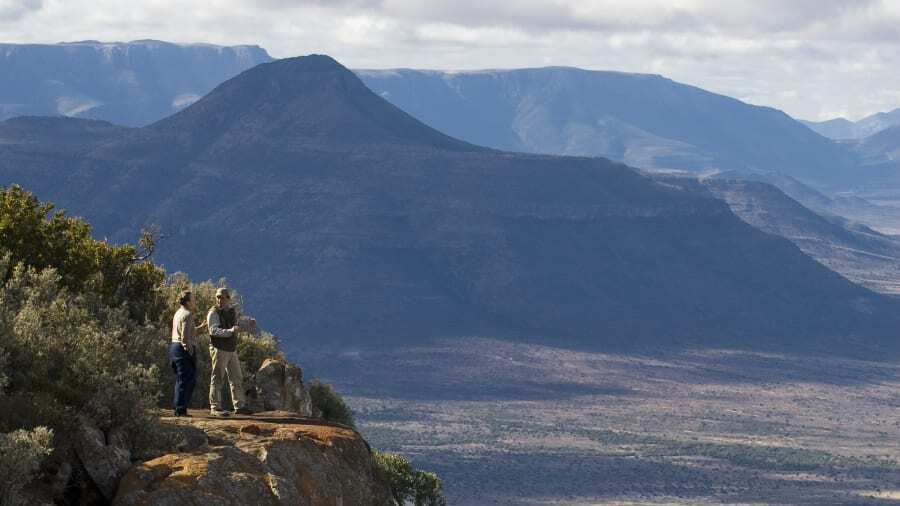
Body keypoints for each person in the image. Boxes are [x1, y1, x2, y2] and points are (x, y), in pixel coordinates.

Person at [207, 287, 253, 416]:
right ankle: (215, 407)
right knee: (217, 378)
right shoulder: (213, 312)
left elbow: (237, 323)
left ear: (228, 298)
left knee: (236, 377)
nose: (219, 300)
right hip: (219, 348)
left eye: (222, 297)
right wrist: (230, 331)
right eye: (217, 297)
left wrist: (248, 323)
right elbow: (213, 331)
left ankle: (239, 405)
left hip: (231, 349)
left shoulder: (231, 312)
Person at [169, 290, 197, 417]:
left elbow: (186, 331)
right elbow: (185, 337)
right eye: (193, 299)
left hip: (174, 347)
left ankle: (178, 407)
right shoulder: (188, 314)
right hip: (182, 349)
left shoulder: (178, 313)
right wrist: (189, 350)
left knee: (181, 379)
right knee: (188, 379)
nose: (195, 301)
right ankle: (180, 410)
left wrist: (201, 327)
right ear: (188, 302)